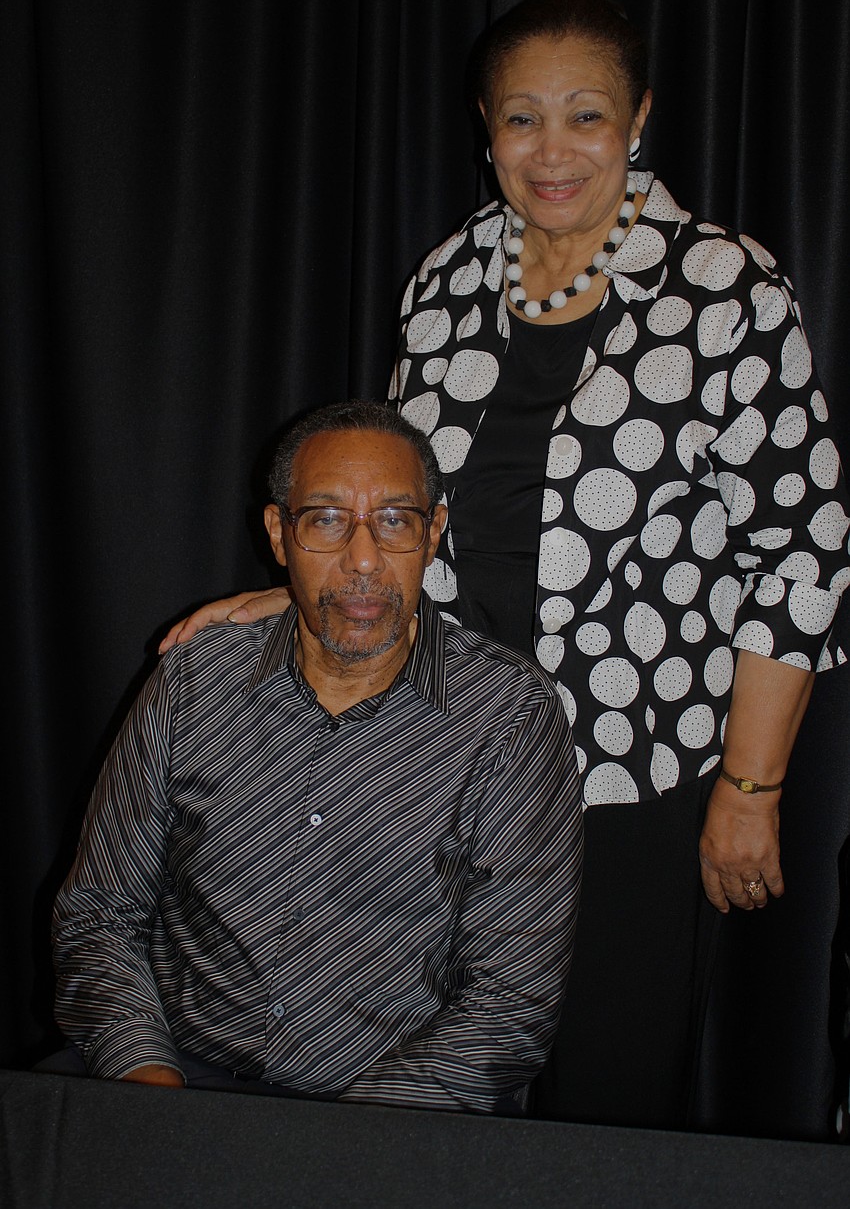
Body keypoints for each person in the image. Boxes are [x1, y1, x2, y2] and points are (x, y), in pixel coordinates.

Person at [159, 0, 850, 1129]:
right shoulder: (442, 286)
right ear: (486, 128)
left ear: (638, 121)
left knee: (607, 1108)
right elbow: (401, 510)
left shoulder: (727, 290)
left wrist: (751, 786)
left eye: (585, 116)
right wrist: (292, 600)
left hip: (631, 777)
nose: (552, 149)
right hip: (442, 756)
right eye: (521, 119)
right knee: (423, 1083)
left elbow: (803, 549)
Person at [49, 400, 583, 1114]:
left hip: (394, 1110)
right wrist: (149, 1084)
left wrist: (328, 1154)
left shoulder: (511, 718)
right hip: (178, 1073)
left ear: (434, 534)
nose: (363, 559)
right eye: (327, 519)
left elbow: (510, 1002)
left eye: (394, 520)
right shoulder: (193, 684)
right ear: (279, 532)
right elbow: (99, 914)